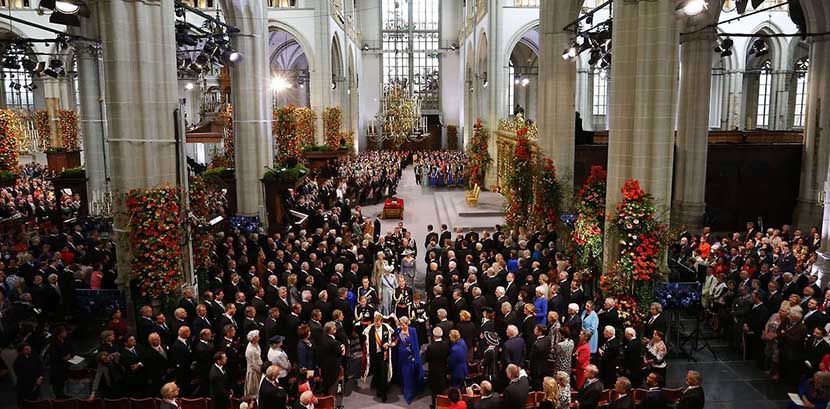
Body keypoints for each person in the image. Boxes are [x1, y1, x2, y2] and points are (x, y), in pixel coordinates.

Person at [363, 312, 394, 402]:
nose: (376, 324)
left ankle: (384, 393)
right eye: (375, 322)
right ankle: (379, 390)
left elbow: (393, 338)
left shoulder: (386, 329)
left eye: (378, 322)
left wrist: (388, 344)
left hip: (383, 355)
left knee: (383, 374)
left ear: (381, 322)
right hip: (373, 355)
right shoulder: (369, 330)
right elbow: (366, 343)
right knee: (376, 373)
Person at [394, 316, 424, 404]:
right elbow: (395, 342)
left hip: (411, 357)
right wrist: (389, 344)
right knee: (405, 374)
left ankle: (411, 392)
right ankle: (405, 389)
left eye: (403, 325)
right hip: (402, 357)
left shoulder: (413, 330)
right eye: (401, 325)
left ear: (407, 324)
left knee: (411, 374)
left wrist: (416, 356)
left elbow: (416, 344)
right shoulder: (398, 331)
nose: (402, 326)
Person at [424, 326, 450, 409]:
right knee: (443, 388)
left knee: (434, 391)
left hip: (433, 371)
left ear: (434, 335)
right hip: (443, 369)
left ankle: (435, 405)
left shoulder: (431, 347)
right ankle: (443, 404)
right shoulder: (446, 344)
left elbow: (426, 359)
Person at [318, 321, 345, 396]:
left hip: (325, 365)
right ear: (329, 330)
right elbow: (341, 353)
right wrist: (343, 347)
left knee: (327, 383)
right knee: (332, 385)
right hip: (333, 367)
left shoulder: (323, 338)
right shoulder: (332, 343)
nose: (335, 328)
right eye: (333, 328)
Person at [244, 330, 263, 398]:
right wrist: (261, 370)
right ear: (253, 339)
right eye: (257, 337)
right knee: (254, 390)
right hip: (254, 371)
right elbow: (252, 365)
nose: (259, 338)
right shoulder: (250, 350)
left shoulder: (256, 344)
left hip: (259, 367)